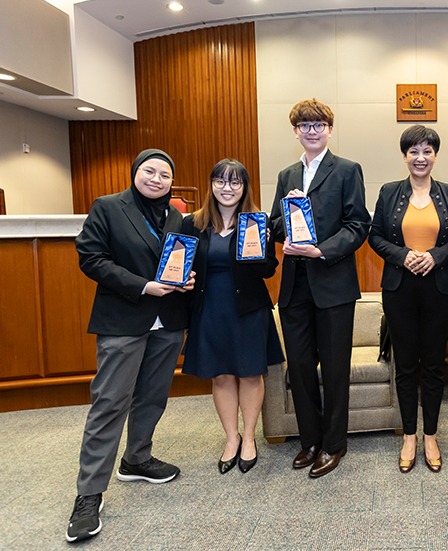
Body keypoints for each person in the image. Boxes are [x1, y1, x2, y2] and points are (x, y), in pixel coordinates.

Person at [68, 149, 193, 542]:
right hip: (124, 318)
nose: (157, 179)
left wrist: (185, 280)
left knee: (152, 397)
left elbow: (180, 261)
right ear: (135, 172)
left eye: (165, 174)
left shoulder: (176, 217)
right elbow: (90, 258)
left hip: (168, 321)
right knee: (110, 403)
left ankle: (137, 458)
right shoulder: (108, 207)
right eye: (149, 171)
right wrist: (142, 286)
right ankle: (89, 494)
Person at [268, 98, 370, 478]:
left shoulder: (346, 170)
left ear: (329, 128)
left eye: (319, 124)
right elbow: (275, 225)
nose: (312, 130)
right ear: (295, 131)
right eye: (304, 125)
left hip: (333, 286)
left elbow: (359, 225)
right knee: (299, 367)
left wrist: (321, 250)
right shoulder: (286, 176)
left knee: (335, 368)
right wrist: (288, 215)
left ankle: (333, 444)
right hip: (294, 287)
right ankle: (308, 440)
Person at [369, 125, 448, 473]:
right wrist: (403, 255)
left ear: (435, 155)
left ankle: (431, 435)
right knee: (406, 365)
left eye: (427, 151)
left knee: (435, 366)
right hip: (399, 288)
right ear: (405, 155)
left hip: (439, 289)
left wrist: (436, 256)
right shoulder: (389, 192)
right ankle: (409, 434)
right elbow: (374, 236)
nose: (420, 157)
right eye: (413, 151)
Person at [180, 159, 284, 475]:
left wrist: (262, 244)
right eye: (221, 181)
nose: (228, 188)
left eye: (235, 182)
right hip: (209, 309)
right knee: (221, 375)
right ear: (211, 185)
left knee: (251, 373)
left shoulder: (256, 221)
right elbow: (180, 265)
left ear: (244, 187)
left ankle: (249, 438)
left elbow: (268, 270)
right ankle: (231, 438)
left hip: (248, 309)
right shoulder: (192, 224)